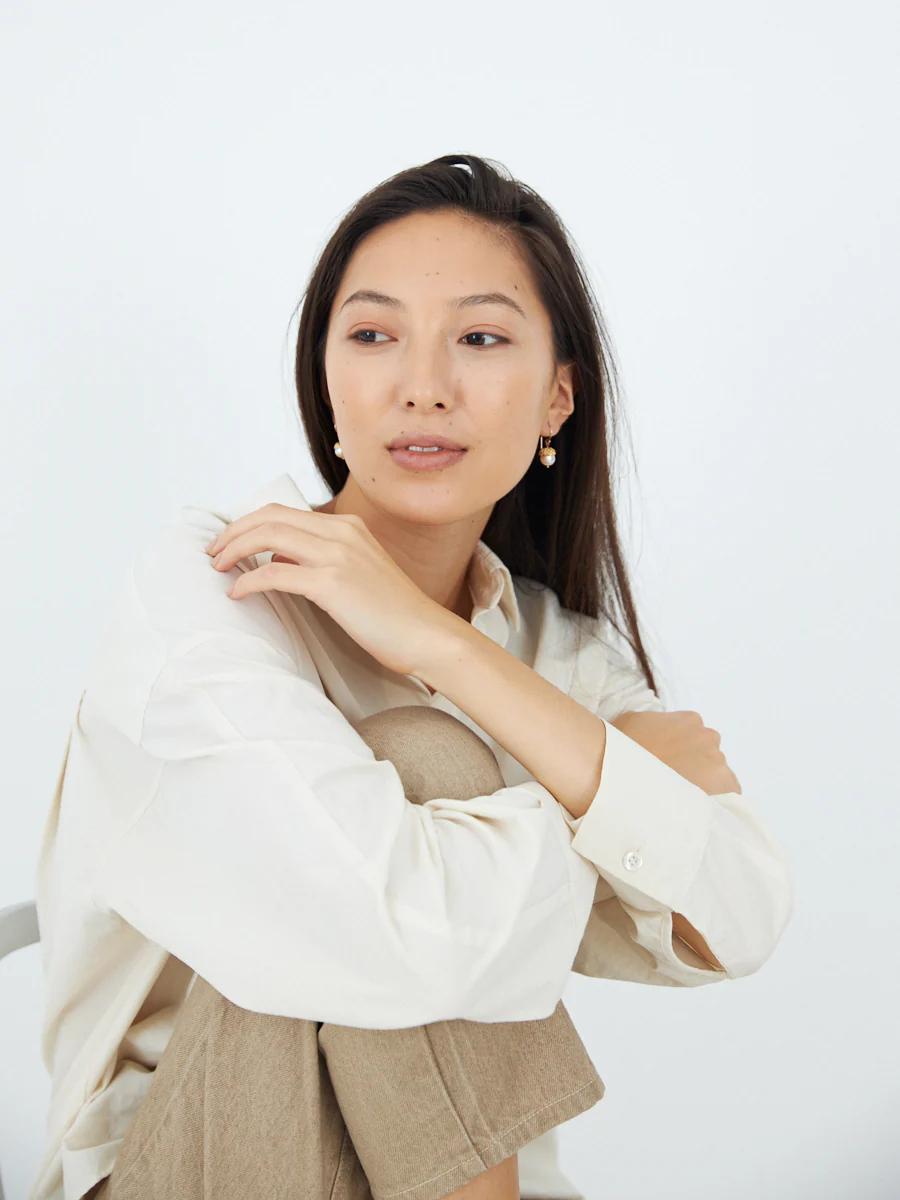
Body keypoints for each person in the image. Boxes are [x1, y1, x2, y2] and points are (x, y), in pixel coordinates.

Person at [31, 153, 794, 1200]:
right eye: (374, 336)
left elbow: (743, 919)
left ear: (558, 398)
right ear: (328, 380)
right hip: (188, 1163)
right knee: (425, 763)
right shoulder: (215, 587)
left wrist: (444, 647)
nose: (423, 385)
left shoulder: (557, 654)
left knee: (432, 774)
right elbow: (400, 935)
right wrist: (604, 790)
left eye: (479, 339)